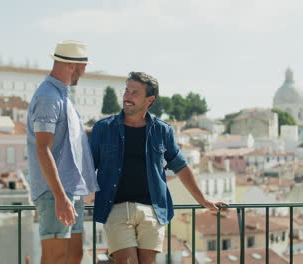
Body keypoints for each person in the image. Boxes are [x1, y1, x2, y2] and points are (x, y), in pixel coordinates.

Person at [90, 72, 228, 264]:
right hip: (116, 209)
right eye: (126, 91)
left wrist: (203, 200)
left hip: (152, 210)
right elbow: (87, 168)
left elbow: (181, 167)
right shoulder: (103, 128)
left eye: (135, 93)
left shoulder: (163, 131)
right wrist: (69, 198)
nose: (127, 97)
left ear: (150, 99)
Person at [26, 40, 99, 264]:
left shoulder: (62, 96)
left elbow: (72, 137)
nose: (85, 71)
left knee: (74, 255)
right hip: (54, 192)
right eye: (83, 66)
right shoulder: (48, 97)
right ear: (71, 66)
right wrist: (59, 196)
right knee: (56, 259)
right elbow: (42, 147)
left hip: (71, 190)